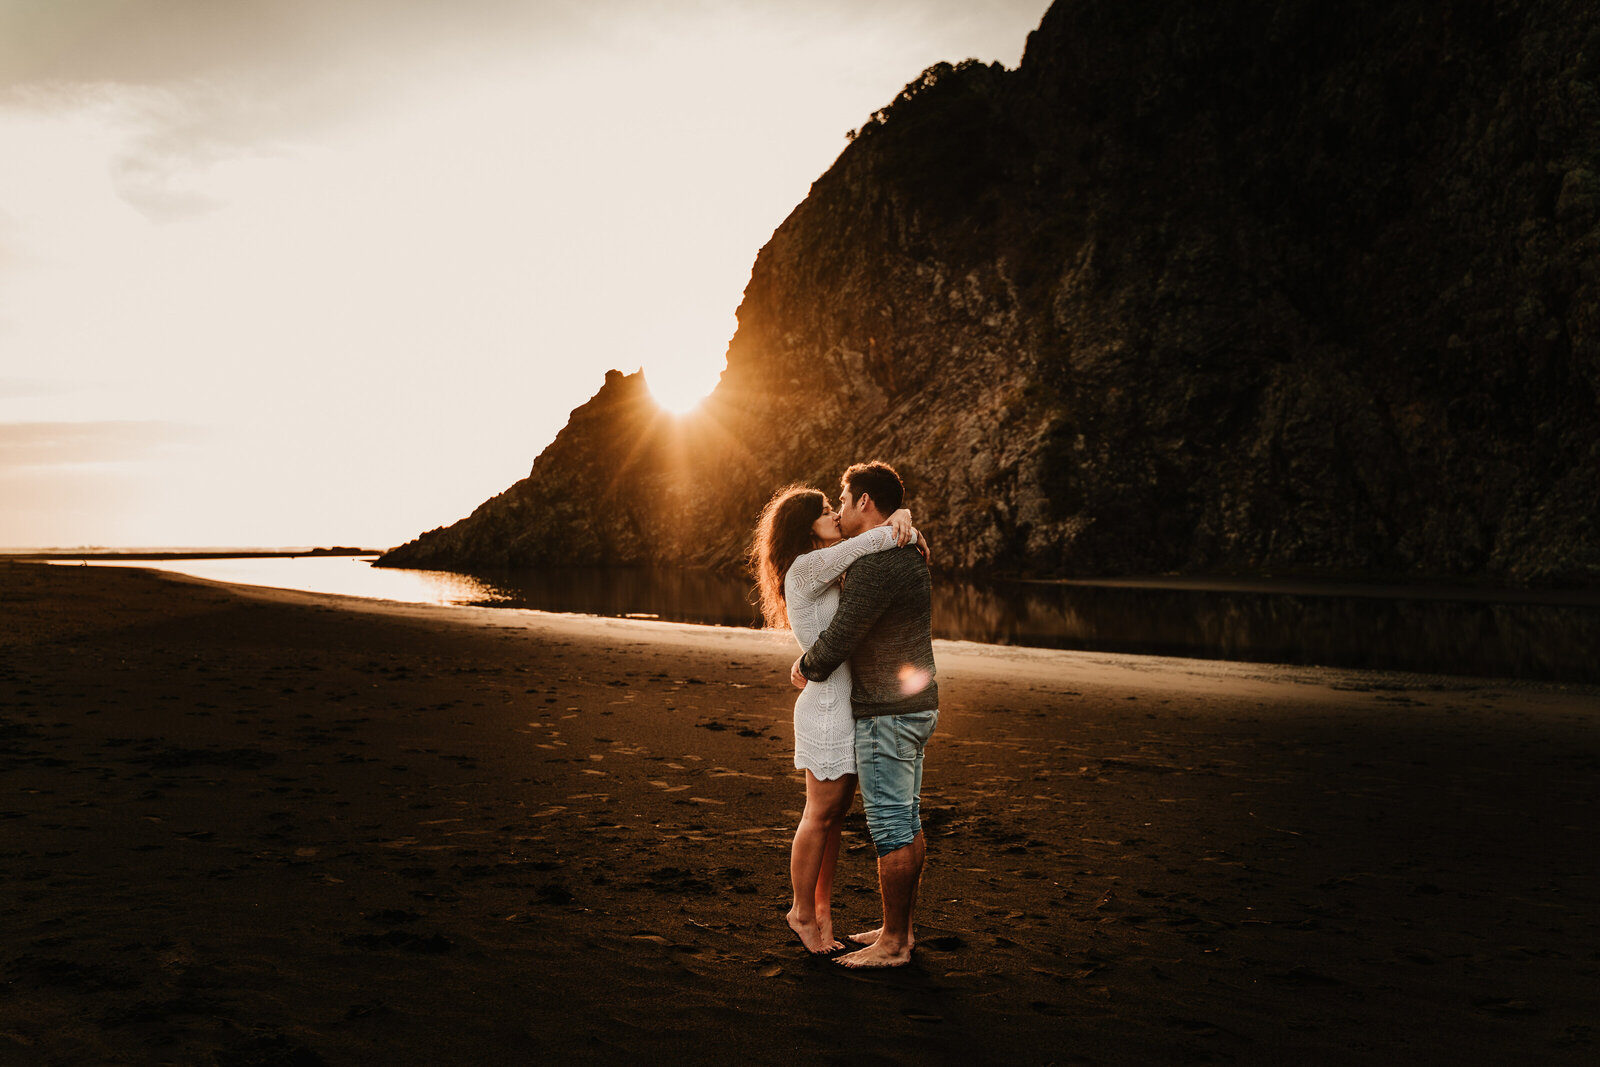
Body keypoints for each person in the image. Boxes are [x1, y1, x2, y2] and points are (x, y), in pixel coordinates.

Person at [750, 485, 917, 955]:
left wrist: (900, 518)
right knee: (818, 815)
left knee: (835, 818)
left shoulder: (823, 565)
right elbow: (871, 541)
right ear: (804, 524)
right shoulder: (807, 566)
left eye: (833, 506)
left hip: (842, 705)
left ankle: (822, 910)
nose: (833, 515)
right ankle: (801, 911)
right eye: (824, 511)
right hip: (825, 711)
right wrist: (903, 520)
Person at [790, 461, 937, 969]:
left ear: (865, 503)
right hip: (916, 707)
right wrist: (908, 522)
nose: (839, 508)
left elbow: (841, 638)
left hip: (886, 713)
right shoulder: (905, 548)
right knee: (908, 821)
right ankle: (899, 928)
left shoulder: (879, 560)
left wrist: (806, 663)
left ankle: (894, 943)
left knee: (894, 825)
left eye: (844, 499)